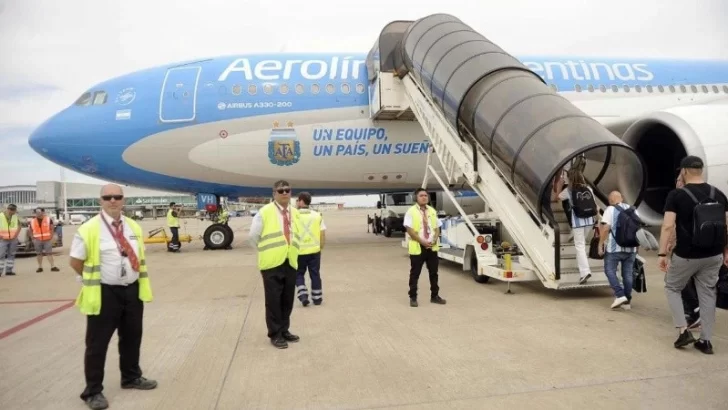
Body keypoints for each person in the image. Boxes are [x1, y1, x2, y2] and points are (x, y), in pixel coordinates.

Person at [69, 184, 157, 410]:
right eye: (107, 197)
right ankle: (93, 391)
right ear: (100, 201)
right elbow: (76, 262)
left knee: (132, 337)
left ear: (123, 200)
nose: (113, 201)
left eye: (117, 197)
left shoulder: (133, 226)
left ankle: (131, 377)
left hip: (132, 290)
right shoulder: (89, 229)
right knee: (97, 344)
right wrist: (90, 279)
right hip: (104, 292)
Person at [658, 155, 728, 354]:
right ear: (701, 170)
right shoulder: (719, 194)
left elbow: (668, 226)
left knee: (672, 286)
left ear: (684, 171)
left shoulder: (677, 195)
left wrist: (662, 254)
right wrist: (726, 250)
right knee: (707, 293)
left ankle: (682, 332)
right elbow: (726, 226)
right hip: (714, 254)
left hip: (687, 254)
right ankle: (705, 341)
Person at [248, 180, 302, 349]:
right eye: (281, 190)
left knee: (287, 300)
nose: (285, 193)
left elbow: (296, 234)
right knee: (273, 301)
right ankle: (275, 334)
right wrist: (266, 251)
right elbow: (253, 237)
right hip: (271, 263)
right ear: (274, 193)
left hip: (290, 261)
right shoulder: (264, 212)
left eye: (287, 190)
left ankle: (284, 329)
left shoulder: (295, 213)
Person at [553, 166, 598, 285]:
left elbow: (557, 198)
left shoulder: (569, 190)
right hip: (590, 220)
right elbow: (594, 204)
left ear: (570, 178)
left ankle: (585, 272)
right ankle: (584, 268)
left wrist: (559, 185)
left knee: (580, 246)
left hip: (578, 222)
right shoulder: (588, 188)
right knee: (582, 243)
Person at [668, 174, 701, 329]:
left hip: (684, 249)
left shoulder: (677, 197)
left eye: (678, 180)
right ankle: (692, 311)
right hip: (704, 248)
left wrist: (666, 247)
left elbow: (671, 225)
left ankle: (694, 310)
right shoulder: (705, 194)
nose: (676, 183)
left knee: (675, 281)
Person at [404, 188, 446, 307]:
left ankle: (435, 296)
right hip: (418, 248)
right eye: (421, 195)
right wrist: (422, 242)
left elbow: (437, 228)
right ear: (416, 198)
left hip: (431, 248)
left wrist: (435, 239)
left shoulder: (432, 211)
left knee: (434, 273)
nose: (424, 197)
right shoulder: (411, 212)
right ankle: (413, 297)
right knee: (415, 274)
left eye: (426, 195)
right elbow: (410, 230)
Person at [598, 190, 639, 309]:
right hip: (631, 248)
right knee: (627, 274)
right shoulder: (632, 209)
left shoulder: (610, 210)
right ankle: (627, 301)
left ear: (610, 200)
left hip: (614, 248)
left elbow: (605, 228)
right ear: (622, 198)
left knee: (609, 270)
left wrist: (600, 243)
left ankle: (620, 294)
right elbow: (638, 227)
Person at [294, 192, 326, 306]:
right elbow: (322, 234)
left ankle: (303, 295)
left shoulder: (294, 216)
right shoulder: (317, 215)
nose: (297, 202)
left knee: (298, 274)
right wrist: (320, 247)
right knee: (315, 274)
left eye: (298, 200)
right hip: (314, 251)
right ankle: (317, 298)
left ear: (302, 201)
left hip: (299, 252)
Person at [31, 207, 60, 272]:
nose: (37, 213)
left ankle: (53, 266)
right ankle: (40, 267)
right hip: (37, 239)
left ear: (43, 212)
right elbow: (30, 230)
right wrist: (32, 238)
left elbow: (52, 228)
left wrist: (51, 236)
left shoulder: (48, 219)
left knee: (49, 253)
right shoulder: (33, 221)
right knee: (39, 254)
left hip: (47, 239)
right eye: (36, 212)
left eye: (39, 212)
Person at [0, 203, 19, 276]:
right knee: (1, 255)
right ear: (8, 210)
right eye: (12, 211)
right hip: (3, 239)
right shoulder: (1, 216)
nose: (13, 212)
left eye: (14, 211)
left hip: (13, 239)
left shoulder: (15, 217)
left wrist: (16, 235)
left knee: (11, 254)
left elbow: (19, 226)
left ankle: (9, 270)